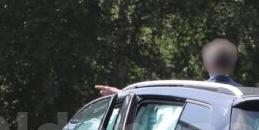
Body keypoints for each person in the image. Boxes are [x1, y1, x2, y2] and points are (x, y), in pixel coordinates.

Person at [94, 37, 241, 96]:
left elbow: (159, 98)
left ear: (208, 64)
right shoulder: (241, 94)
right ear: (232, 64)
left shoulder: (197, 92)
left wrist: (120, 93)